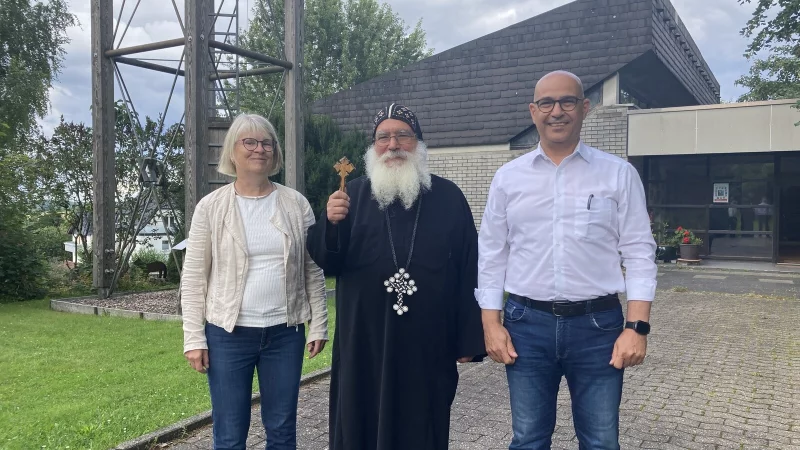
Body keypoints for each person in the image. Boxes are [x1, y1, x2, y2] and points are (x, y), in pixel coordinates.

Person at [476, 71, 657, 450]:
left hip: (599, 327)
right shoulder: (508, 179)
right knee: (528, 439)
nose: (556, 111)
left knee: (601, 441)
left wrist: (637, 327)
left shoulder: (618, 174)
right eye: (546, 103)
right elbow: (492, 254)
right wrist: (491, 324)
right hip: (526, 325)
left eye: (567, 102)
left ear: (584, 108)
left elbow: (640, 251)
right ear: (533, 111)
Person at [306, 103, 486, 450]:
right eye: (383, 137)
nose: (393, 144)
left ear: (418, 143)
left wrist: (468, 338)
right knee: (359, 421)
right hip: (364, 342)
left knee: (423, 425)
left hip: (427, 342)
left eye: (403, 135)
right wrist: (330, 223)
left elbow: (469, 269)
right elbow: (328, 262)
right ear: (373, 147)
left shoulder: (448, 197)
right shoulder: (350, 196)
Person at [181, 113, 328, 450]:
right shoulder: (211, 208)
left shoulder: (296, 204)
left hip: (284, 334)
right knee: (230, 434)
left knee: (281, 430)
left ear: (274, 152)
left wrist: (318, 323)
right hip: (227, 336)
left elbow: (312, 269)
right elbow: (193, 277)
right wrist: (193, 337)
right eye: (250, 142)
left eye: (267, 143)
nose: (259, 149)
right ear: (232, 151)